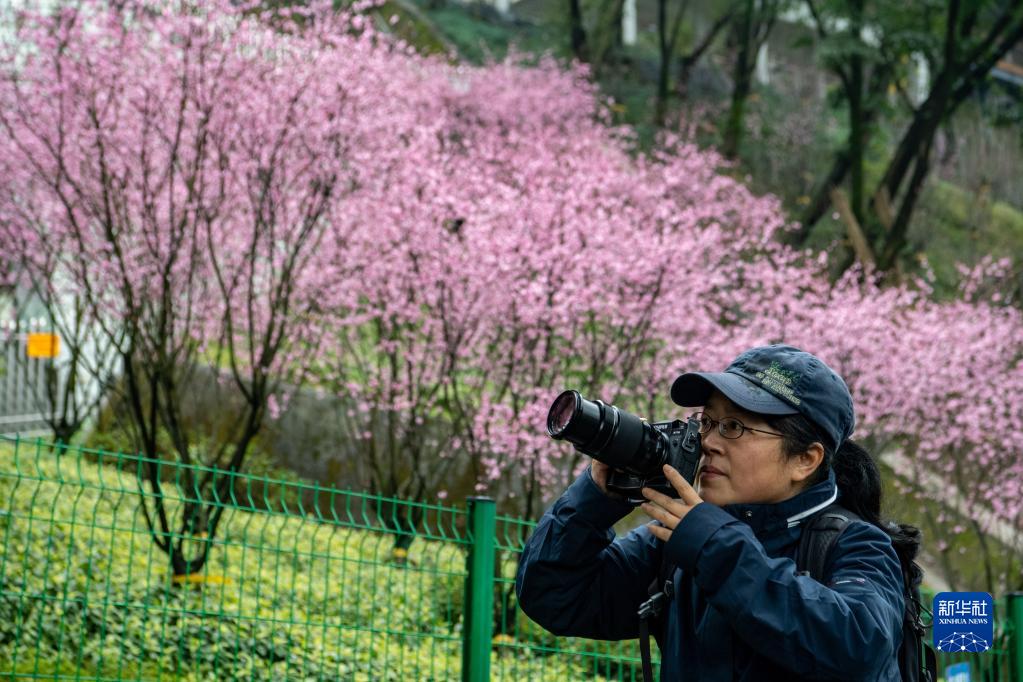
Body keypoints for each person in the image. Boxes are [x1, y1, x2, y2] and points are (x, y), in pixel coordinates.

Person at [515, 344, 919, 681]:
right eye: (708, 421)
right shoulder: (680, 542)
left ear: (805, 459)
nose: (709, 441)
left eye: (734, 427)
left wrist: (714, 546)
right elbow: (554, 597)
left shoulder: (855, 544)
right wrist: (595, 497)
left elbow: (858, 647)